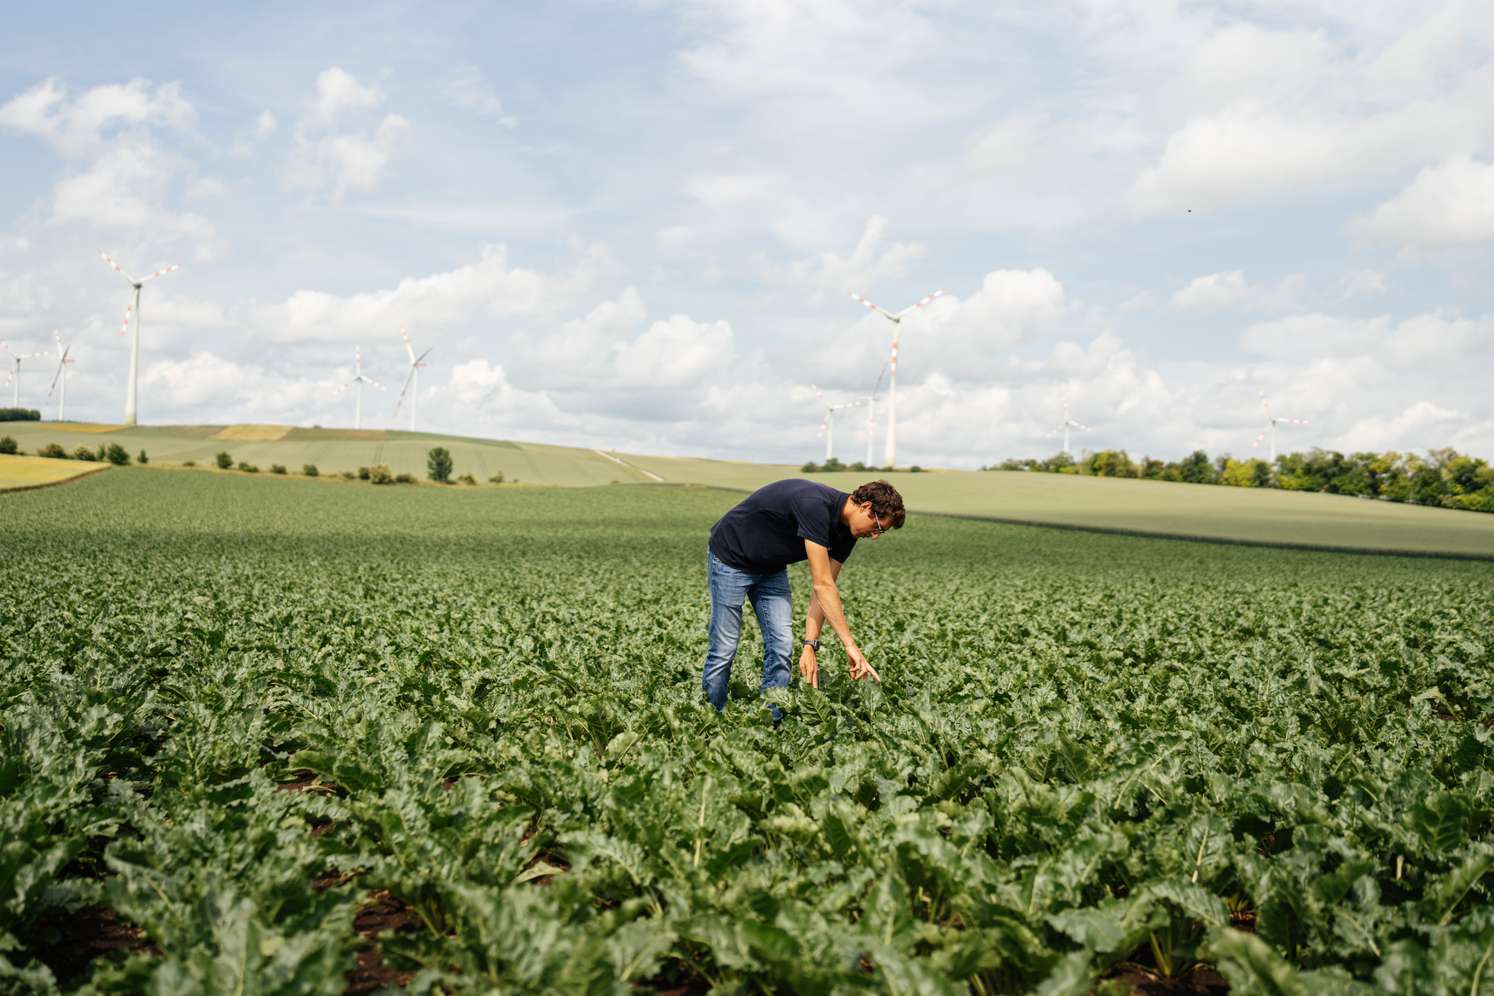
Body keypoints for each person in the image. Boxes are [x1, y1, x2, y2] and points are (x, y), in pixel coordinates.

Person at [702, 478, 905, 720]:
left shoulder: (847, 533)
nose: (875, 536)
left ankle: (771, 720)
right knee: (725, 647)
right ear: (866, 507)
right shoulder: (814, 506)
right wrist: (850, 645)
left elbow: (822, 592)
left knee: (781, 646)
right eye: (879, 528)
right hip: (731, 558)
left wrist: (810, 645)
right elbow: (822, 583)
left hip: (771, 568)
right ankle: (713, 718)